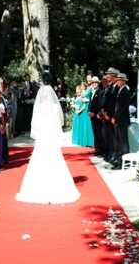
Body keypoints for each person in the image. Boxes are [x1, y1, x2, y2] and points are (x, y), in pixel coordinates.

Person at [16, 71, 80, 204]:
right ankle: (56, 184)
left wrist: (37, 129)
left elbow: (36, 115)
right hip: (50, 132)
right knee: (53, 156)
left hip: (43, 133)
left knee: (40, 156)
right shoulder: (53, 98)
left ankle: (39, 186)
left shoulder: (40, 96)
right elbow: (59, 118)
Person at [112, 73, 131, 169]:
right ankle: (120, 161)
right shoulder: (120, 90)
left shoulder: (125, 91)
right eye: (117, 80)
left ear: (123, 81)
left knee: (123, 141)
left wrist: (115, 117)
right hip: (119, 120)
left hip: (122, 120)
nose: (117, 81)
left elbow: (122, 107)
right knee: (119, 141)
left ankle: (125, 162)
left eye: (119, 80)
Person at [88, 76, 104, 156]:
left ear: (98, 83)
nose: (94, 84)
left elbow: (100, 104)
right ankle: (97, 149)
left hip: (97, 116)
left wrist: (96, 113)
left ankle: (100, 150)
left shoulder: (100, 91)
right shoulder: (92, 91)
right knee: (95, 133)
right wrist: (89, 111)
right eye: (92, 82)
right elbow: (91, 104)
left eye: (95, 82)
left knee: (99, 133)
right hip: (92, 116)